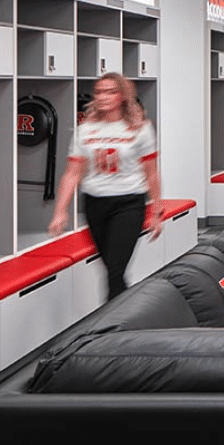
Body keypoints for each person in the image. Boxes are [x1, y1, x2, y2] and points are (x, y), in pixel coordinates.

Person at [48, 73, 162, 301]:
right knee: (112, 269)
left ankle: (114, 327)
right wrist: (60, 211)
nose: (103, 97)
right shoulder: (85, 130)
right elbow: (72, 173)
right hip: (95, 204)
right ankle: (127, 312)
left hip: (129, 203)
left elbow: (151, 173)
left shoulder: (140, 129)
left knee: (115, 270)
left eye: (110, 91)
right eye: (99, 92)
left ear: (122, 96)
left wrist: (156, 212)